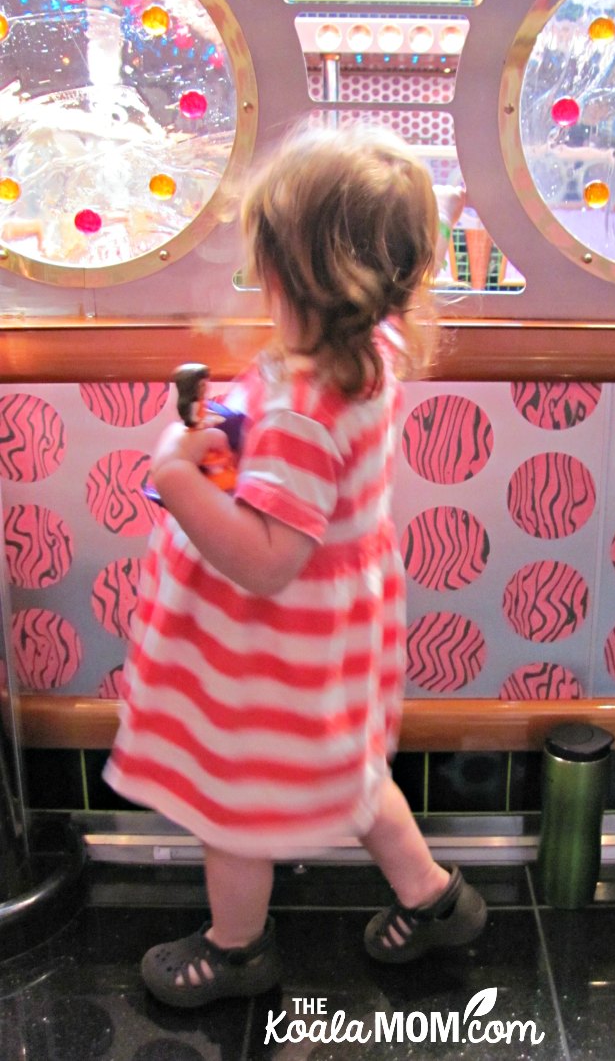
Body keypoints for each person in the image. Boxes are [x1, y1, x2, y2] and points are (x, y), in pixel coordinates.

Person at [103, 123, 487, 1008]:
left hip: (269, 640)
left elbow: (266, 562)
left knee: (233, 795)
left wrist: (173, 474)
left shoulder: (304, 407)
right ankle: (434, 899)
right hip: (333, 631)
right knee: (346, 767)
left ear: (298, 274)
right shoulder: (368, 356)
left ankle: (236, 948)